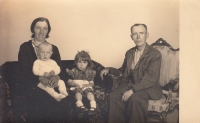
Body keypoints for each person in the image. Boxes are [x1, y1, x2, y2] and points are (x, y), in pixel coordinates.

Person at [100, 23, 162, 123]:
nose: (138, 37)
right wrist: (109, 69)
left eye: (141, 33)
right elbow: (123, 70)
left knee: (135, 99)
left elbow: (150, 78)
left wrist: (132, 90)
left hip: (148, 87)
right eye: (135, 34)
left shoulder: (155, 54)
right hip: (130, 84)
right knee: (113, 97)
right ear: (131, 37)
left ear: (147, 35)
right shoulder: (129, 53)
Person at [18, 17, 71, 122]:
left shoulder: (53, 48)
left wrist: (56, 77)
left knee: (64, 101)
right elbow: (24, 72)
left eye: (45, 29)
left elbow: (59, 68)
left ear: (48, 31)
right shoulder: (25, 47)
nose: (41, 32)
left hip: (52, 84)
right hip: (33, 85)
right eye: (38, 28)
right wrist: (40, 79)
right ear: (33, 29)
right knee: (44, 100)